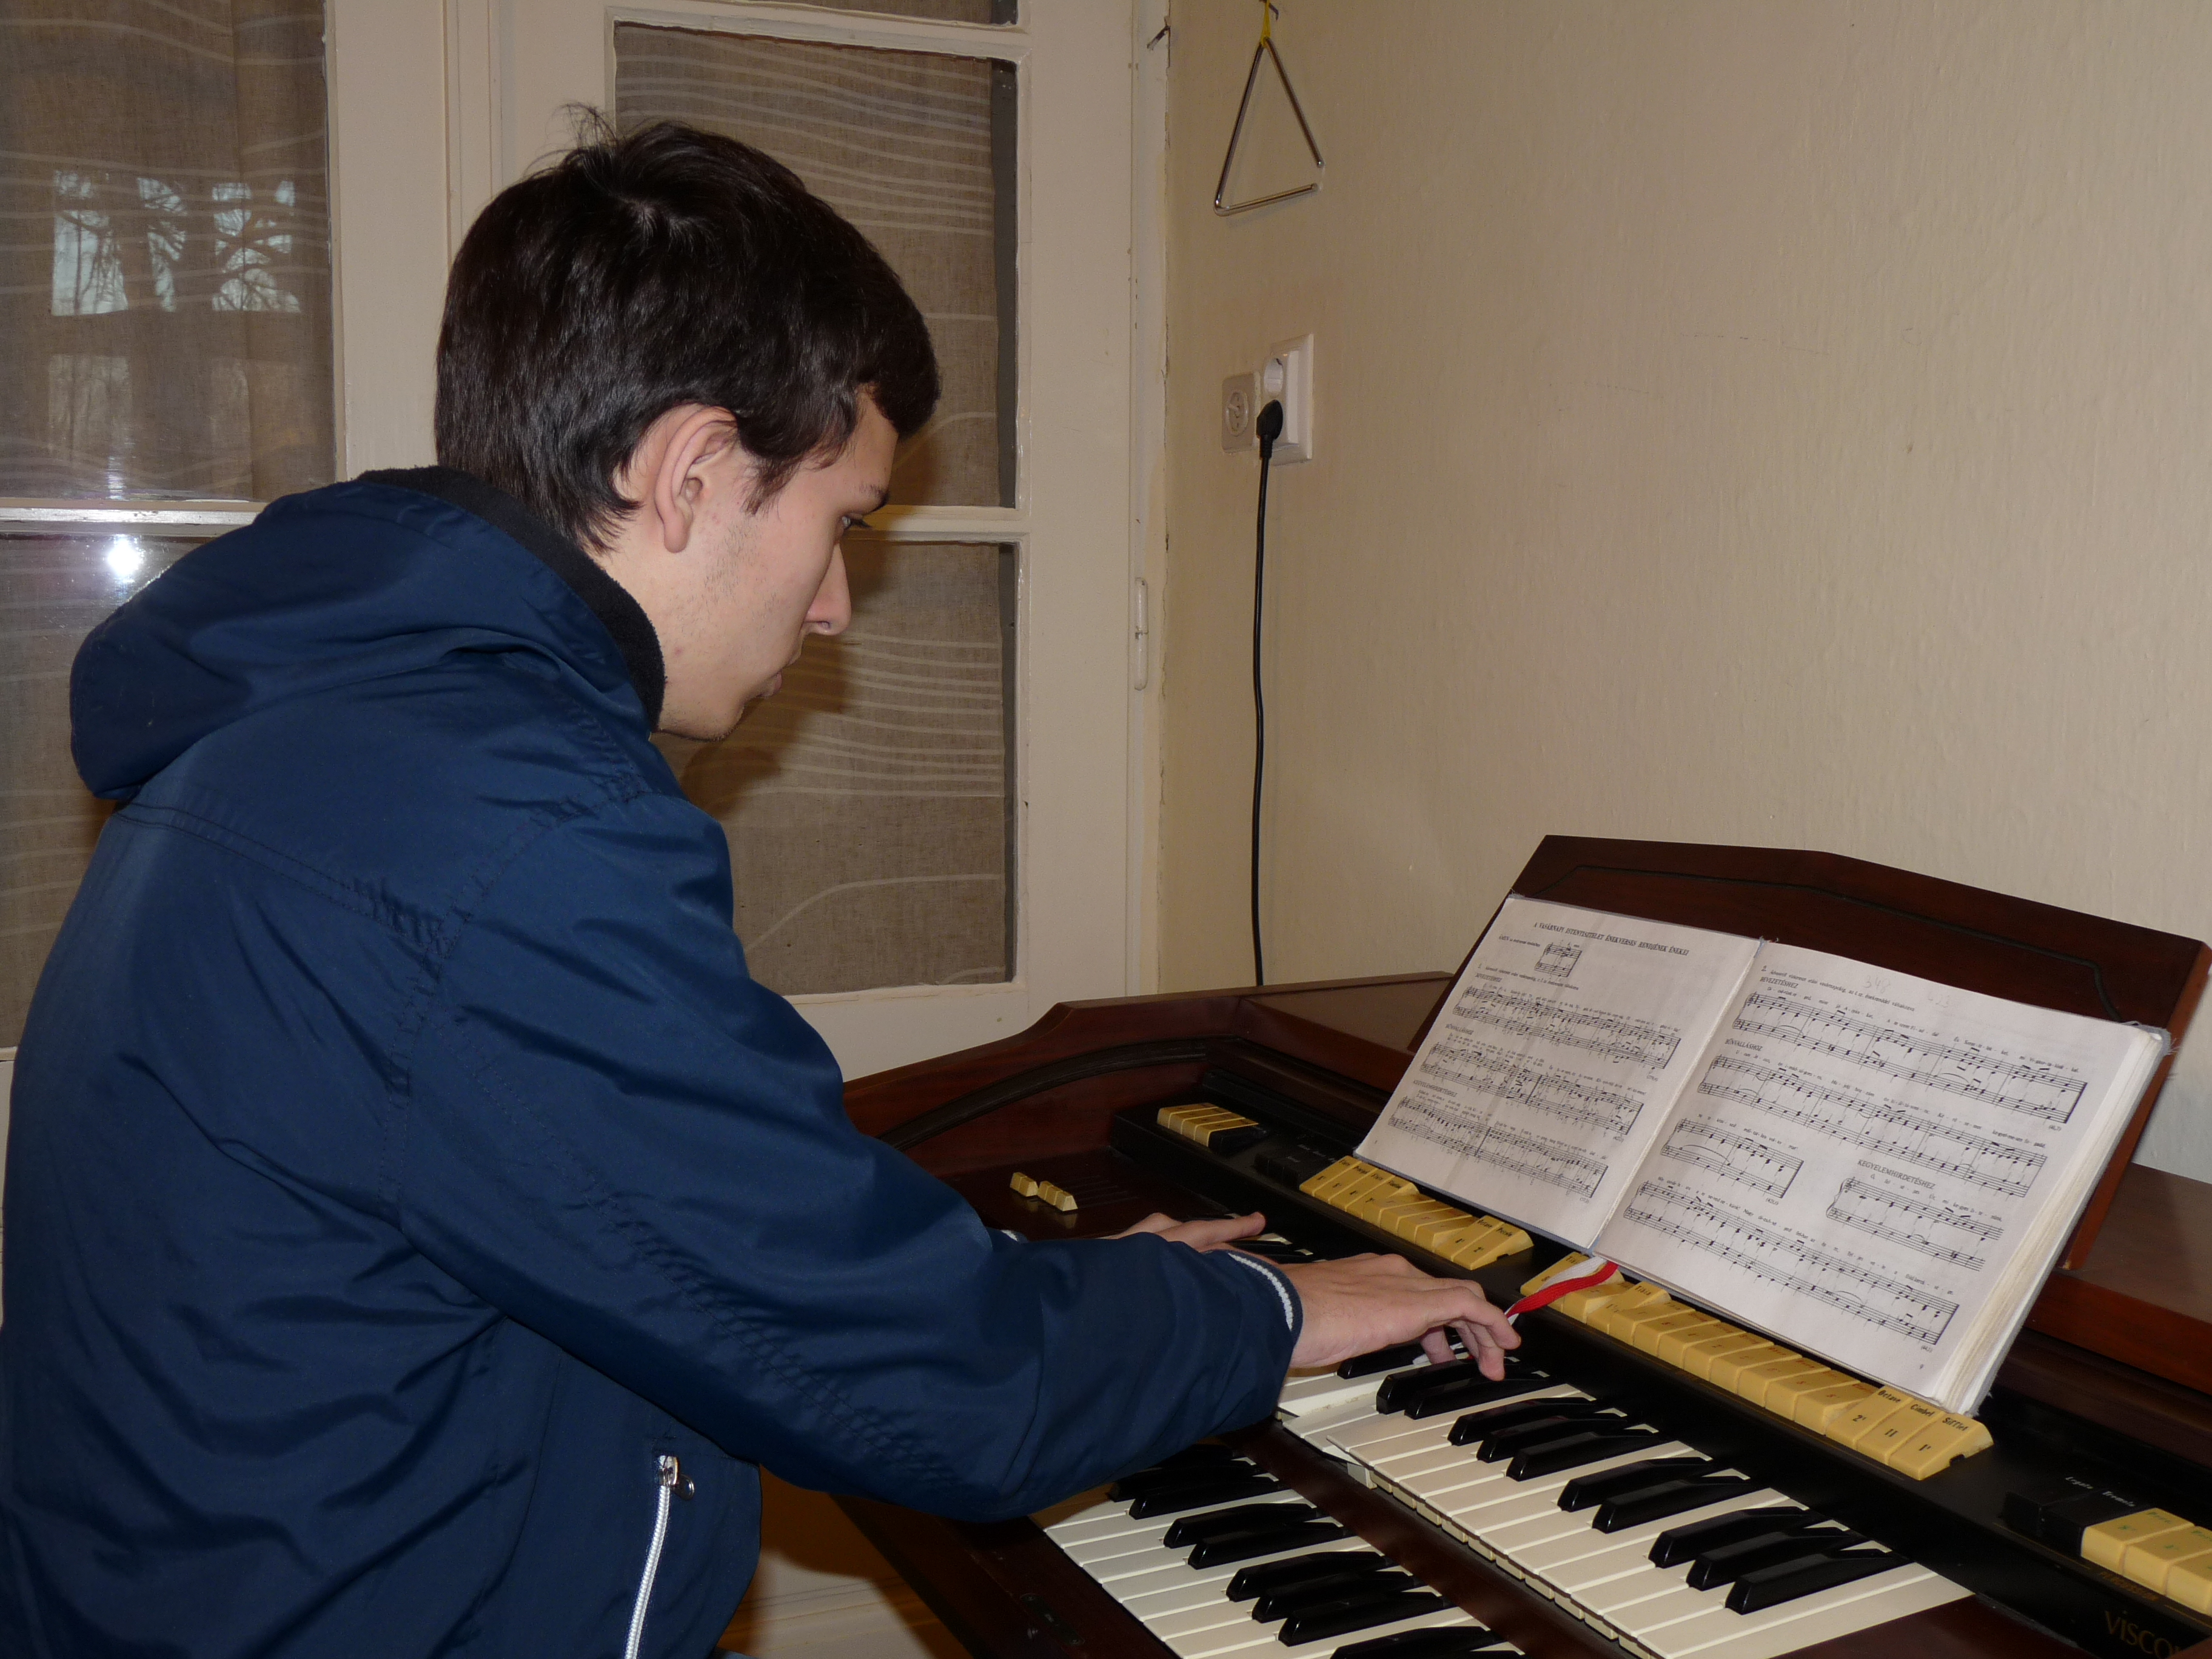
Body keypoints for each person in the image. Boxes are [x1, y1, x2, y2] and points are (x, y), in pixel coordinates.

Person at [0, 122, 1513, 1657]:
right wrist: (1271, 1311)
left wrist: (1049, 1289)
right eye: (841, 521)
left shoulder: (318, 739)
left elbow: (659, 1213)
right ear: (693, 473)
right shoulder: (512, 827)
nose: (839, 602)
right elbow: (947, 1396)